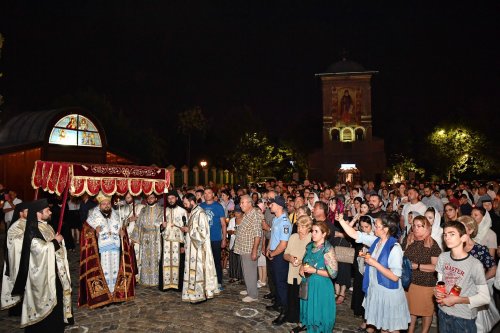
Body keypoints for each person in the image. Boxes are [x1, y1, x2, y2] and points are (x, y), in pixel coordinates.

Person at [10, 199, 73, 332]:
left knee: (58, 298)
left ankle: (57, 326)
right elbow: (38, 249)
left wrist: (57, 242)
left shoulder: (46, 225)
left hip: (54, 270)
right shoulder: (32, 228)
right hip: (41, 274)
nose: (50, 212)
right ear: (38, 213)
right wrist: (56, 242)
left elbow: (52, 245)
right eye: (47, 211)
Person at [79, 192, 135, 308]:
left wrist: (122, 231)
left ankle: (116, 295)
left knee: (115, 272)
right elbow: (85, 231)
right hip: (101, 251)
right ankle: (103, 296)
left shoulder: (115, 214)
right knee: (103, 273)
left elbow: (121, 227)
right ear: (99, 205)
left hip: (115, 249)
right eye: (104, 204)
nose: (106, 206)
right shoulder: (92, 217)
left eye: (108, 204)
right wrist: (94, 232)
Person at [435, 221, 490, 333]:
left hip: (463, 318)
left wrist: (458, 299)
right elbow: (440, 282)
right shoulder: (443, 257)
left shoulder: (475, 265)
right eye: (445, 234)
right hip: (443, 312)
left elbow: (485, 298)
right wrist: (437, 291)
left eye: (452, 234)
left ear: (464, 238)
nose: (447, 238)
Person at [361, 213, 411, 332]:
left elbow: (394, 277)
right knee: (383, 326)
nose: (374, 228)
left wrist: (374, 263)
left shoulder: (394, 248)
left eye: (377, 226)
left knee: (391, 328)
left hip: (388, 294)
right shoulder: (377, 242)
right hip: (377, 290)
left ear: (386, 229)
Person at [401, 216, 441, 333]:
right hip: (409, 282)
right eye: (414, 225)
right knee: (412, 309)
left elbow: (436, 267)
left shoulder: (432, 244)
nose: (416, 228)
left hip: (425, 283)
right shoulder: (409, 240)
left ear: (427, 228)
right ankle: (411, 330)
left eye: (420, 226)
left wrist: (418, 266)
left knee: (426, 311)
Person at [297, 220, 338, 333]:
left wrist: (314, 270)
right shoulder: (309, 246)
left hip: (321, 287)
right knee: (310, 314)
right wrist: (301, 267)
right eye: (312, 231)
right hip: (308, 285)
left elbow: (333, 274)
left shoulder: (327, 249)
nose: (313, 234)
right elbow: (305, 260)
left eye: (316, 231)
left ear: (324, 234)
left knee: (319, 316)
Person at [181, 193, 219, 303]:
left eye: (186, 203)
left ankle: (199, 295)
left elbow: (203, 233)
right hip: (191, 247)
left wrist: (189, 230)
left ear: (192, 202)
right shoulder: (193, 212)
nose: (185, 205)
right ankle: (192, 294)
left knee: (198, 271)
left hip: (198, 249)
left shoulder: (200, 213)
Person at [266, 196, 292, 325]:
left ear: (280, 206)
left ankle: (285, 311)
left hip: (279, 257)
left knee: (281, 284)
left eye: (272, 204)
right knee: (275, 282)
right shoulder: (276, 219)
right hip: (273, 254)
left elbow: (283, 244)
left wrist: (273, 254)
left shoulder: (285, 222)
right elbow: (272, 237)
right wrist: (268, 248)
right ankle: (278, 304)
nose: (270, 205)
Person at [283, 215, 312, 326]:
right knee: (292, 296)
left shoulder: (311, 238)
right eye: (298, 226)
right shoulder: (293, 237)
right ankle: (292, 317)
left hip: (305, 275)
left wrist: (302, 262)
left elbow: (313, 258)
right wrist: (290, 258)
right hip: (292, 273)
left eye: (303, 226)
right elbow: (285, 254)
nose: (299, 229)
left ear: (309, 227)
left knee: (304, 298)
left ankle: (303, 320)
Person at [1, 202, 28, 315]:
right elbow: (14, 243)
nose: (29, 213)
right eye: (27, 211)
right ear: (21, 213)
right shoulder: (15, 226)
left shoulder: (27, 223)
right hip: (17, 260)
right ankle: (17, 309)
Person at [234, 195, 263, 303]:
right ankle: (249, 289)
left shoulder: (254, 215)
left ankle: (253, 294)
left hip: (250, 248)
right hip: (244, 248)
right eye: (240, 203)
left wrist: (254, 250)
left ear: (250, 203)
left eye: (242, 203)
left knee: (250, 271)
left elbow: (258, 234)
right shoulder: (247, 214)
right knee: (246, 271)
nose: (240, 205)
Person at [130, 193, 163, 287]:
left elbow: (161, 221)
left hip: (155, 237)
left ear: (156, 198)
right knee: (145, 259)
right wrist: (135, 237)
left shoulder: (160, 209)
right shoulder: (143, 210)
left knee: (155, 259)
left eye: (152, 197)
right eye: (149, 198)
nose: (150, 199)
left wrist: (157, 226)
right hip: (144, 238)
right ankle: (145, 279)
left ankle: (155, 280)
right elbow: (138, 224)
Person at [199, 188, 227, 290]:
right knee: (204, 261)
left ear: (213, 194)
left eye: (209, 193)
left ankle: (219, 282)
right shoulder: (200, 206)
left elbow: (223, 224)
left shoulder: (218, 207)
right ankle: (206, 281)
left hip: (215, 238)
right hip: (203, 239)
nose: (207, 195)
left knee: (216, 261)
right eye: (205, 193)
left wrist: (224, 239)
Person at [159, 191, 187, 291]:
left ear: (176, 198)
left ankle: (177, 285)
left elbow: (185, 229)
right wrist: (162, 226)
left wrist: (184, 245)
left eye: (172, 198)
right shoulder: (164, 211)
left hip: (178, 241)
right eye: (169, 198)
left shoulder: (182, 211)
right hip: (166, 241)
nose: (170, 200)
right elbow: (160, 227)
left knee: (179, 263)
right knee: (165, 262)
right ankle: (166, 284)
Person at [227, 205, 244, 283]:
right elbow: (228, 230)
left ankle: (242, 277)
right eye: (235, 213)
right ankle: (234, 276)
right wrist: (233, 231)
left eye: (238, 213)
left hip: (242, 242)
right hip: (234, 241)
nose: (236, 214)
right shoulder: (232, 220)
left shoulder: (245, 220)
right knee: (233, 259)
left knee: (241, 260)